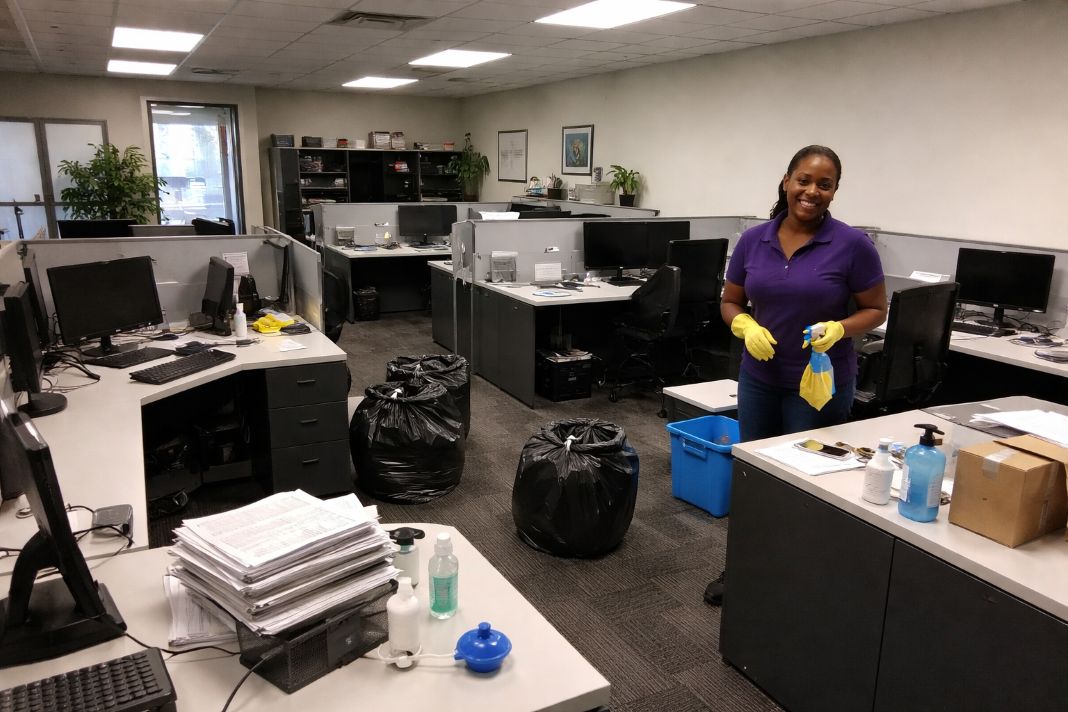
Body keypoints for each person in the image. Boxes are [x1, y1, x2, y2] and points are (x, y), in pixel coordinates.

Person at [704, 145, 887, 606]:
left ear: (834, 191)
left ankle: (798, 574)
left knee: (805, 480)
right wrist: (743, 324)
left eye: (824, 184)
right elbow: (730, 301)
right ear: (786, 181)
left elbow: (875, 310)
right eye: (804, 180)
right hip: (761, 379)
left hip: (820, 383)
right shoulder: (753, 240)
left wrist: (840, 328)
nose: (812, 191)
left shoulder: (852, 245)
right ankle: (745, 564)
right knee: (755, 475)